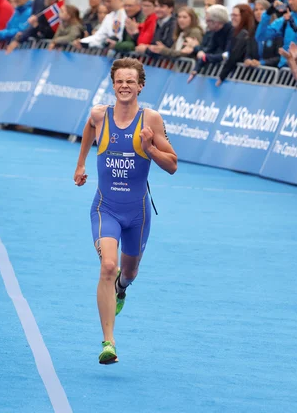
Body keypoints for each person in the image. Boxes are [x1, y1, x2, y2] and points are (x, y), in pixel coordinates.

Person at [73, 58, 178, 365]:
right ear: (113, 84)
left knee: (128, 272)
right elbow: (89, 130)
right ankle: (109, 342)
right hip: (106, 208)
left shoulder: (151, 120)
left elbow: (172, 165)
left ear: (140, 86)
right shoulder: (99, 115)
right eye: (119, 81)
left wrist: (150, 148)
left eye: (130, 81)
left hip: (138, 214)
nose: (124, 86)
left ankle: (122, 287)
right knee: (108, 265)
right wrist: (81, 164)